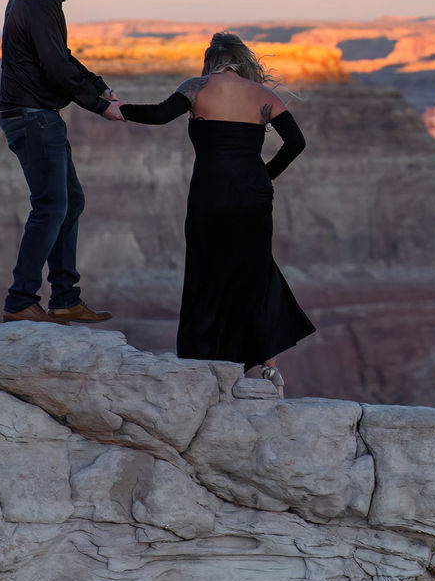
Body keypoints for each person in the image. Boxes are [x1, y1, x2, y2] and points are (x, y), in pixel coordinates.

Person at [118, 32, 314, 381]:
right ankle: (267, 365)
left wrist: (118, 110)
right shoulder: (265, 96)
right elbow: (296, 142)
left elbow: (160, 115)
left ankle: (203, 361)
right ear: (242, 62)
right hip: (252, 196)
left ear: (212, 61)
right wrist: (265, 175)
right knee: (254, 272)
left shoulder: (197, 88)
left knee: (206, 271)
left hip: (210, 195)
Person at [0, 0, 125, 324]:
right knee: (51, 206)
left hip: (38, 116)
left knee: (70, 201)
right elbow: (54, 66)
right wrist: (100, 105)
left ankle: (65, 298)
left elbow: (61, 56)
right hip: (31, 117)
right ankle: (21, 301)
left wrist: (97, 83)